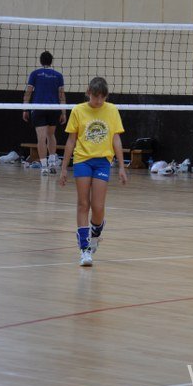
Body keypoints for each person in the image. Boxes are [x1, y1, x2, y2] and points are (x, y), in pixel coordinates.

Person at [58, 77, 127, 266]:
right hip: (82, 160)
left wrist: (122, 166)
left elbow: (116, 139)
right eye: (96, 97)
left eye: (102, 97)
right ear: (89, 92)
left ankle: (96, 231)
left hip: (103, 162)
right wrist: (64, 168)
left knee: (98, 207)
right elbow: (71, 141)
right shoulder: (78, 110)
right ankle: (84, 249)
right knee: (83, 204)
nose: (98, 101)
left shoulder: (112, 110)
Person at [22, 51, 66, 175]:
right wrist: (63, 112)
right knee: (51, 135)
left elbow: (28, 92)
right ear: (51, 61)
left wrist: (25, 108)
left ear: (41, 61)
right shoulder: (58, 75)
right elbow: (61, 95)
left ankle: (44, 167)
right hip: (54, 109)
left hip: (38, 108)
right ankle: (52, 164)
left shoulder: (35, 74)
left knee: (41, 138)